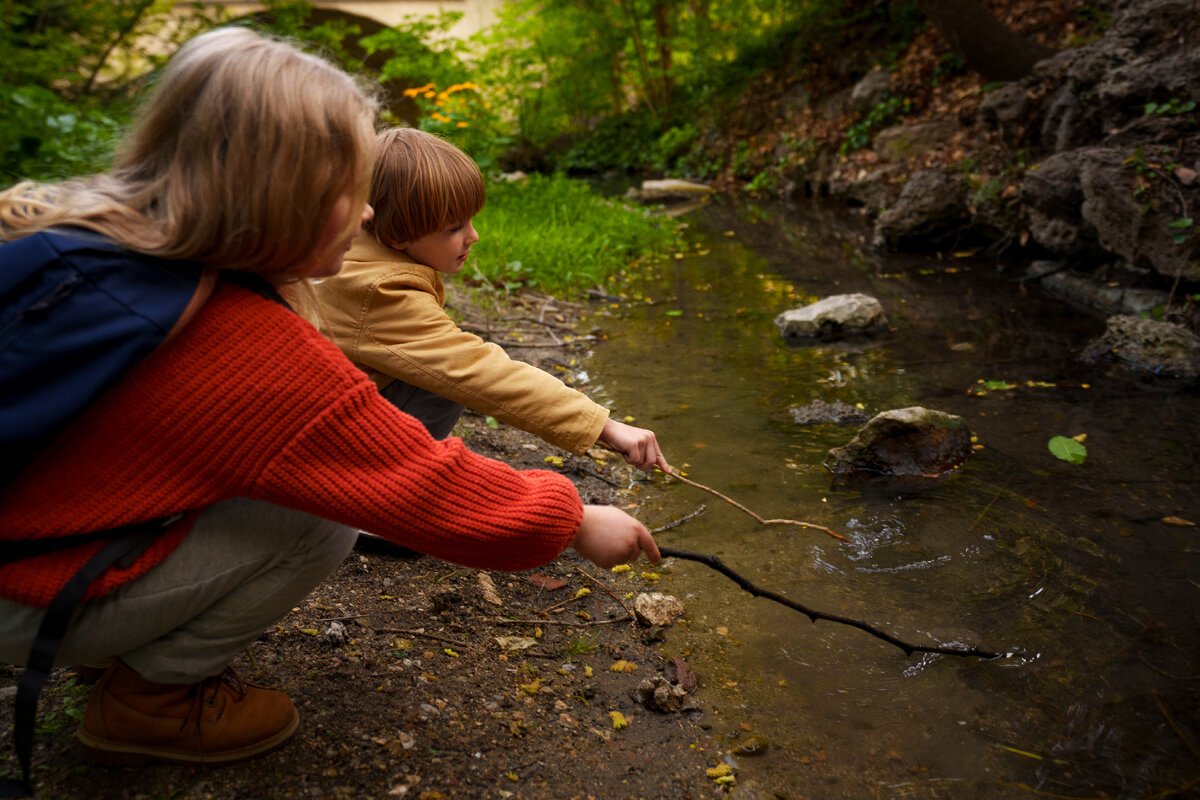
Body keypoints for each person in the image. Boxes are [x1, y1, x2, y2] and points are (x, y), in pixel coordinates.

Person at [0, 27, 658, 770]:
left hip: (42, 526)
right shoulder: (245, 346)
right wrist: (570, 518)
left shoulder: (52, 225)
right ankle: (151, 702)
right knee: (317, 520)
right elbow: (419, 481)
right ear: (289, 198)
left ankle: (121, 634)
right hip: (20, 591)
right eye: (353, 190)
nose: (370, 216)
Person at [305, 127, 671, 472]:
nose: (473, 236)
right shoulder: (378, 290)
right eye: (454, 228)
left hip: (315, 422)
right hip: (314, 452)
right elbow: (478, 371)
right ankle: (387, 486)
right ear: (398, 234)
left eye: (470, 221)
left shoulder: (352, 256)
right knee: (443, 384)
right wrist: (602, 426)